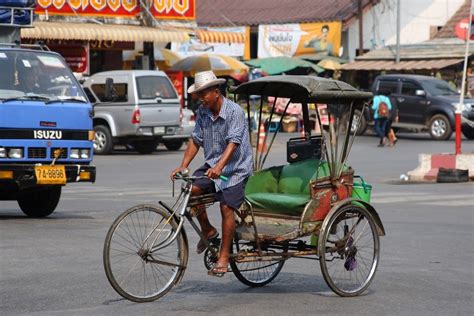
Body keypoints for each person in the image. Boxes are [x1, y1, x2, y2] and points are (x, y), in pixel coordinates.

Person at [170, 70, 253, 276]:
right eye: (198, 95)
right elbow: (196, 139)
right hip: (212, 165)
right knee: (191, 189)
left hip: (236, 169)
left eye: (203, 94)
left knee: (227, 207)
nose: (201, 99)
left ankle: (224, 256)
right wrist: (184, 165)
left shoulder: (234, 111)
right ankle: (207, 230)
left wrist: (219, 168)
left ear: (216, 92)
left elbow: (234, 143)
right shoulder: (203, 112)